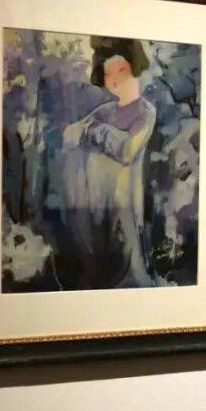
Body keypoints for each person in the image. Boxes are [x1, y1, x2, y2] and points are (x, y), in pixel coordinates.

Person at [60, 38, 157, 288]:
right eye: (108, 74)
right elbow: (69, 135)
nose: (115, 80)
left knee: (127, 265)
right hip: (94, 203)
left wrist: (94, 131)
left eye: (121, 71)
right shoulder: (104, 111)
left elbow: (127, 149)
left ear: (135, 68)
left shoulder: (146, 113)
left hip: (124, 205)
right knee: (94, 267)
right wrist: (83, 130)